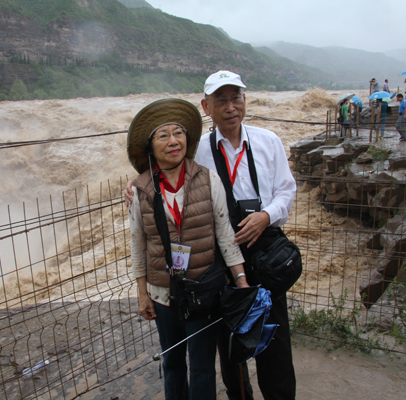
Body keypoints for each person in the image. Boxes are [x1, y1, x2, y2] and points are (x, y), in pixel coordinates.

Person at [126, 71, 297, 400]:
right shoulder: (197, 150)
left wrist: (266, 216)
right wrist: (134, 181)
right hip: (218, 259)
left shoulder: (268, 141)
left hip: (263, 252)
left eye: (236, 98)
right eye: (221, 100)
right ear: (206, 106)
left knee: (273, 338)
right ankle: (239, 395)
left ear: (245, 101)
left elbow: (286, 191)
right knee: (227, 341)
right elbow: (163, 169)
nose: (230, 107)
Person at [127, 98, 249, 400]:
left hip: (203, 289)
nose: (173, 141)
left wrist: (241, 279)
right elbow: (138, 243)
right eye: (163, 135)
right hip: (162, 292)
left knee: (203, 365)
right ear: (151, 146)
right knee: (172, 362)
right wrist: (142, 293)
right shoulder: (141, 189)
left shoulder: (209, 180)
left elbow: (225, 234)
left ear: (188, 140)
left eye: (178, 133)